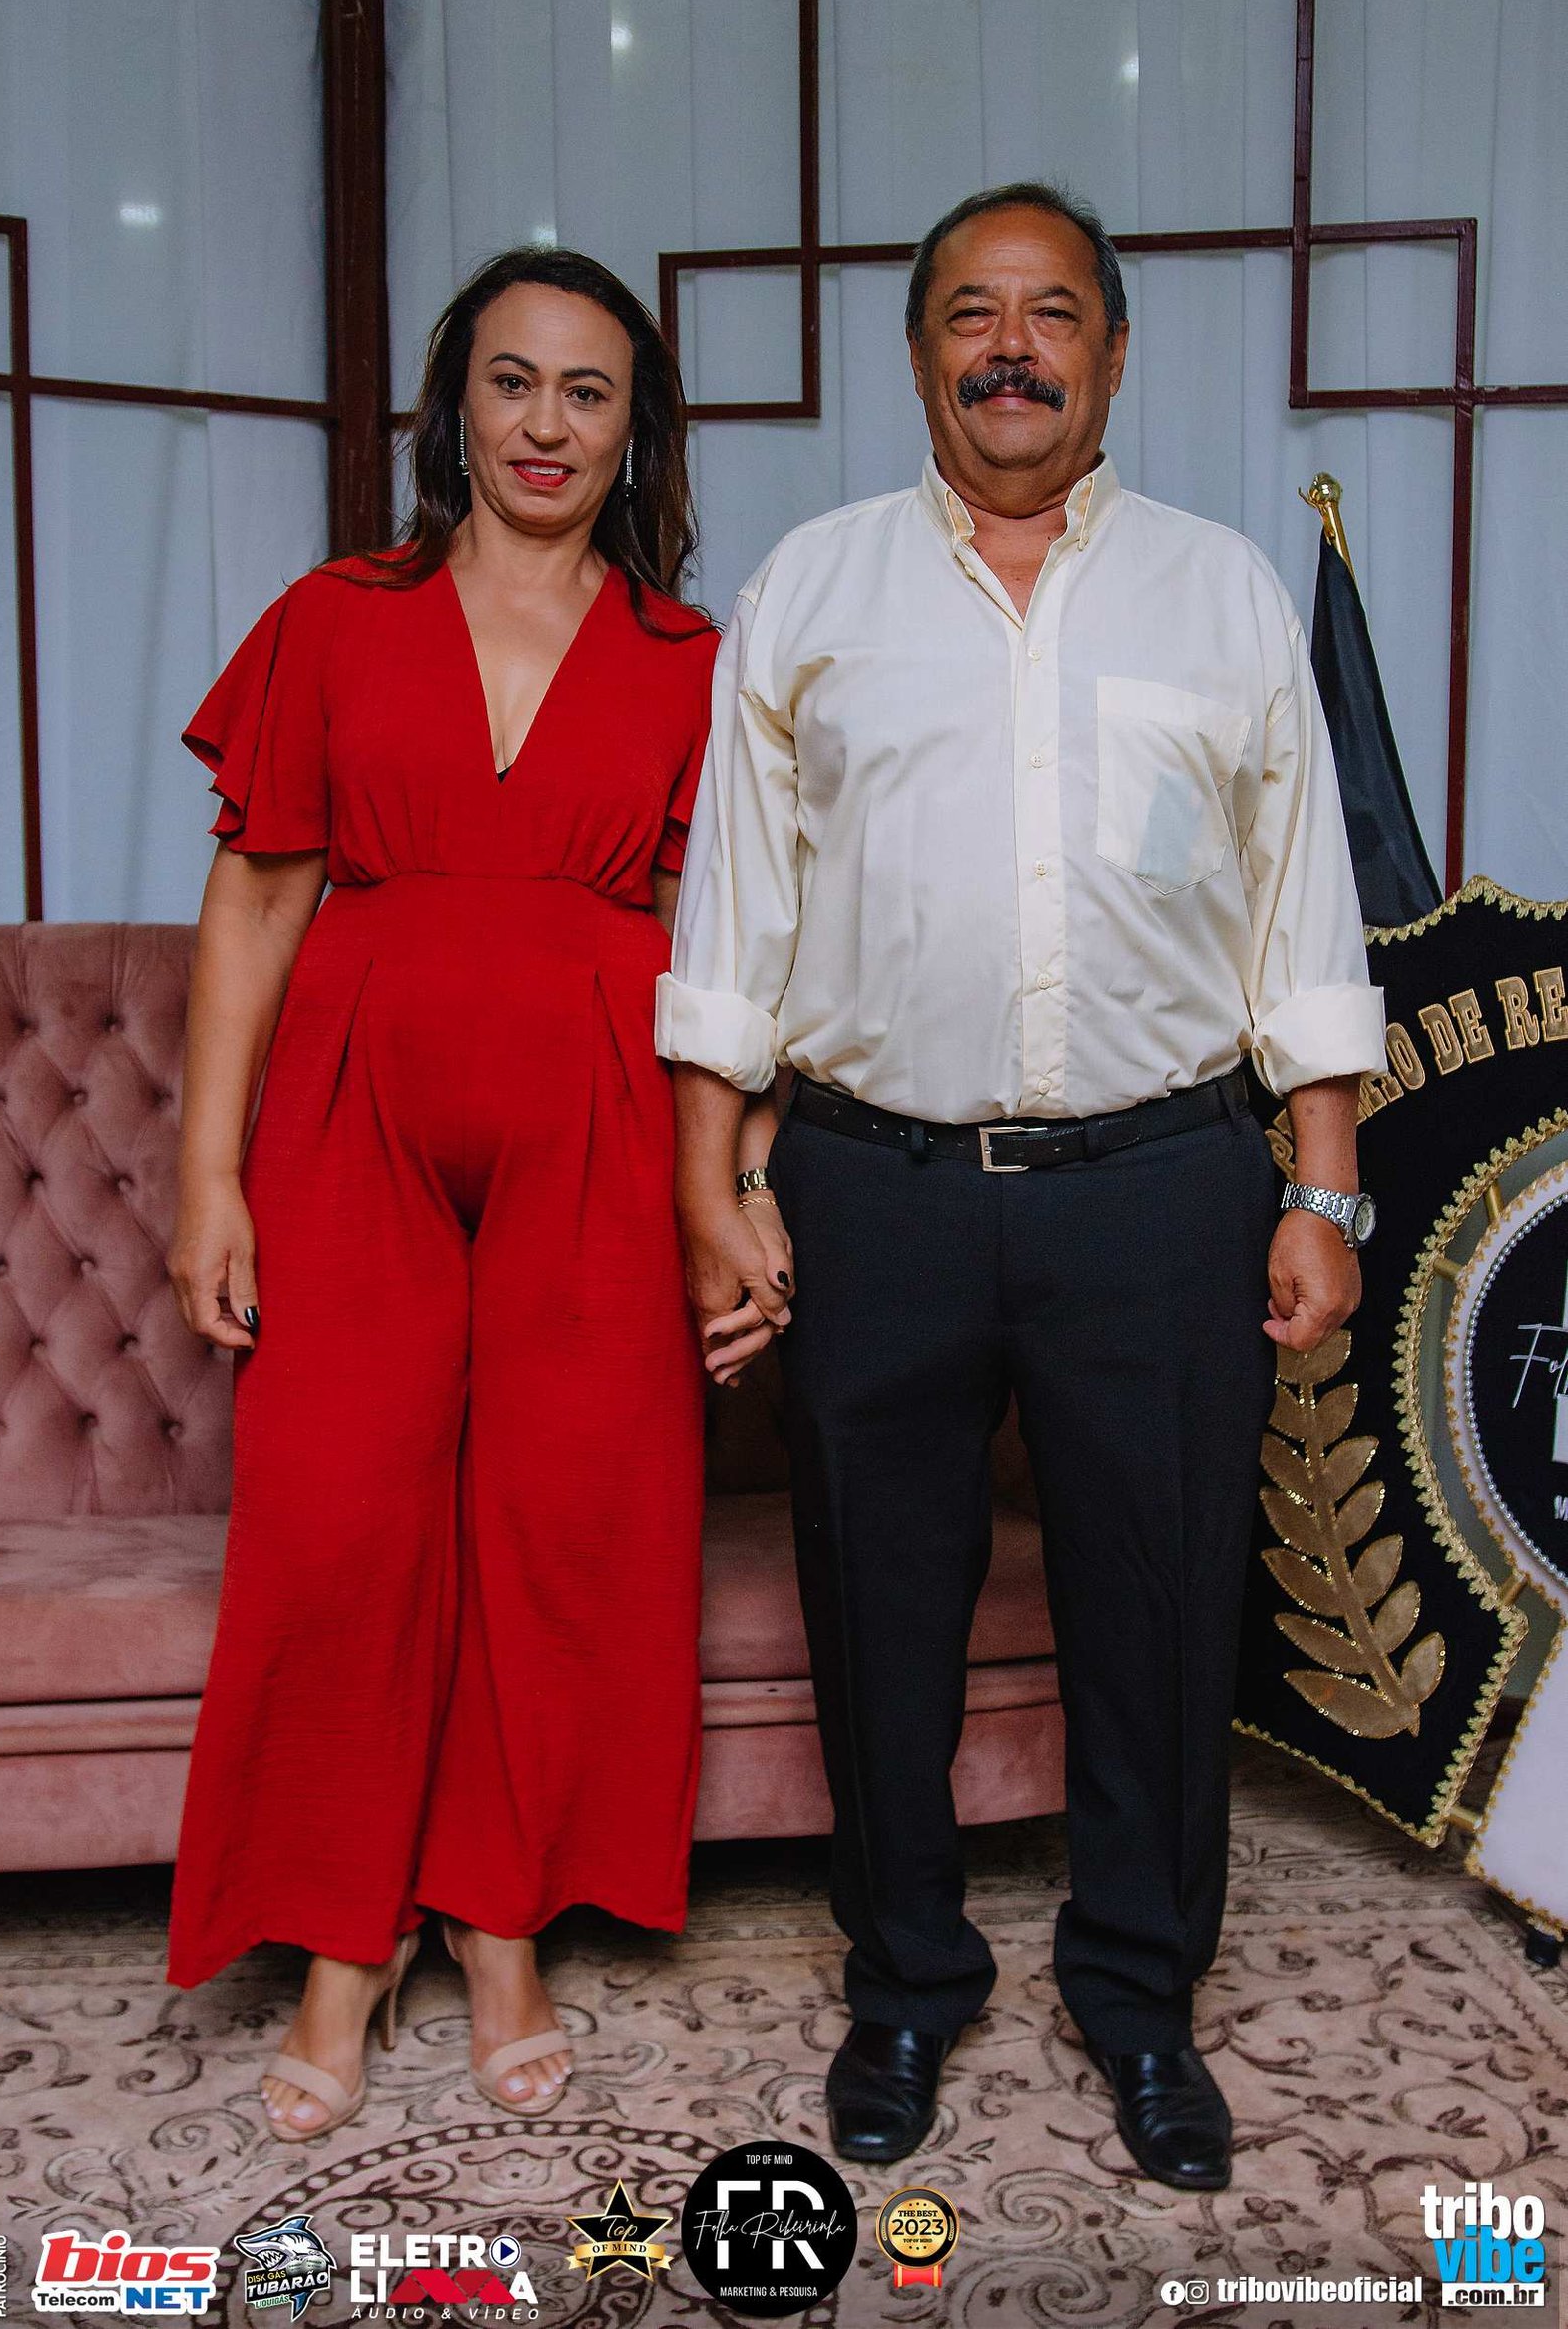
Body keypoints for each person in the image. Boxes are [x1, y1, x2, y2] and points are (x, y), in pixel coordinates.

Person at [658, 181, 1387, 2191]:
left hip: (1158, 1186)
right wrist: (714, 1179)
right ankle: (904, 1981)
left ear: (1112, 356)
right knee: (875, 1602)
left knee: (1160, 1611)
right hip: (872, 1185)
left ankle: (1139, 1997)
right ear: (918, 356)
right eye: (971, 313)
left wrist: (1320, 1188)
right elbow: (737, 915)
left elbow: (1300, 904)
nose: (1010, 348)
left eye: (1050, 313)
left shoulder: (1220, 593)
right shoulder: (810, 590)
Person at [166, 246, 725, 2140]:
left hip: (605, 1121)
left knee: (567, 1528)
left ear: (634, 428)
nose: (545, 424)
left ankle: (497, 1921)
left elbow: (723, 956)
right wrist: (208, 1174)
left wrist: (728, 1186)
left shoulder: (690, 664)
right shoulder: (336, 618)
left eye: (588, 390)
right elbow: (256, 900)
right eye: (512, 381)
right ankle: (344, 1935)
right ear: (455, 407)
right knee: (334, 1518)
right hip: (353, 1115)